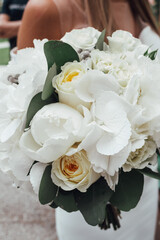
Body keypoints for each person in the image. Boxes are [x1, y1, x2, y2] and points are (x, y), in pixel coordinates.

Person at [17, 1, 160, 240]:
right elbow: (22, 118)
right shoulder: (46, 9)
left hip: (143, 190)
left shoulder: (138, 4)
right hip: (86, 194)